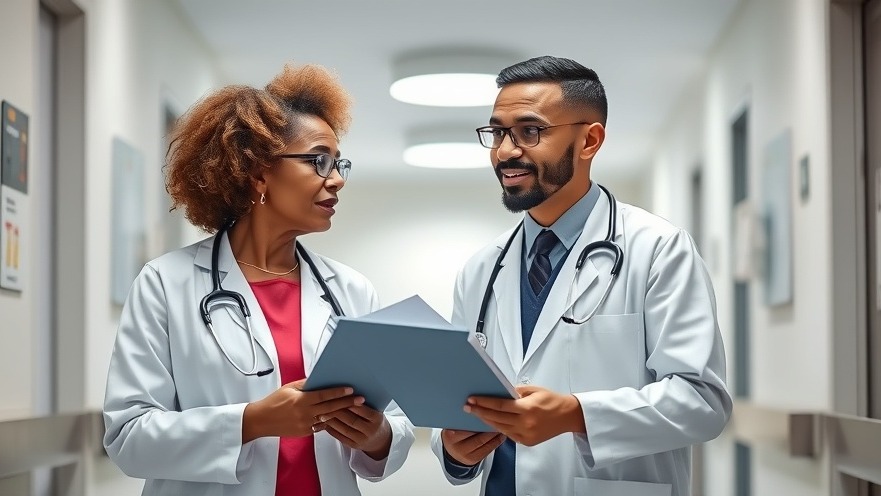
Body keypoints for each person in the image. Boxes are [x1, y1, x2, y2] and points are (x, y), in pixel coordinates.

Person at [103, 63, 414, 496]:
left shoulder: (351, 290)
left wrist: (377, 438)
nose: (338, 179)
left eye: (339, 162)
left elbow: (395, 424)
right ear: (259, 172)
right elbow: (128, 438)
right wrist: (253, 422)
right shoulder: (165, 284)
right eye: (318, 161)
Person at [431, 55, 732, 496]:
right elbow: (458, 404)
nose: (506, 151)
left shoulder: (657, 249)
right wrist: (455, 452)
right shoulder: (481, 268)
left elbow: (703, 402)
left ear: (589, 140)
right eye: (498, 132)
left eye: (529, 131)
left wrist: (576, 414)